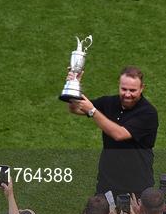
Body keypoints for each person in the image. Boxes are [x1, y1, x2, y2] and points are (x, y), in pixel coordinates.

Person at [67, 66, 158, 196]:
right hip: (106, 183)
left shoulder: (148, 113)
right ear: (119, 86)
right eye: (124, 89)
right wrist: (74, 85)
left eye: (132, 90)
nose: (127, 94)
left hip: (136, 187)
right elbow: (75, 109)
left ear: (142, 88)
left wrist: (93, 111)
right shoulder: (109, 102)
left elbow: (119, 134)